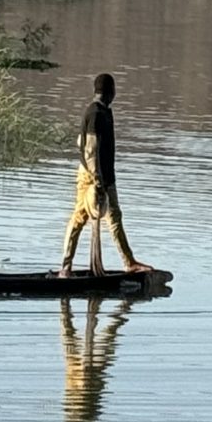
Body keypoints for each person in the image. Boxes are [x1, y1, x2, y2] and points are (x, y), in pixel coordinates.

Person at [60, 72, 149, 275]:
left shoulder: (105, 112)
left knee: (114, 217)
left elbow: (82, 143)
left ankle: (129, 262)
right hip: (91, 177)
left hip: (106, 176)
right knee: (80, 217)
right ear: (110, 92)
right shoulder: (94, 114)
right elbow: (89, 150)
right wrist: (98, 181)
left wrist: (105, 178)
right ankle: (65, 268)